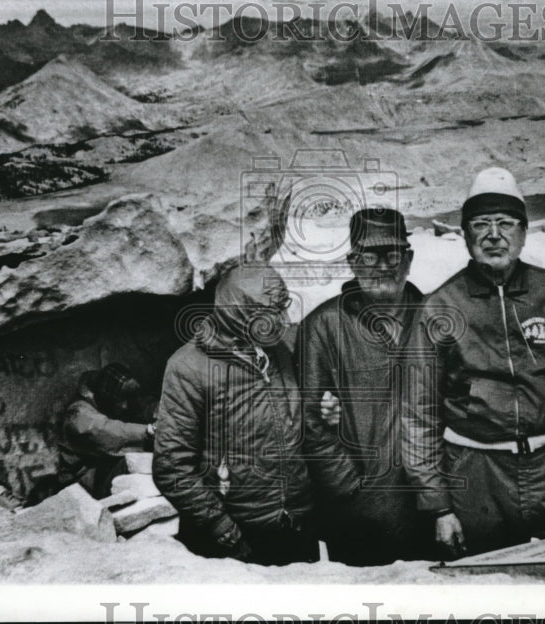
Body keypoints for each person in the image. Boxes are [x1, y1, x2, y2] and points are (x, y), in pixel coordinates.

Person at [402, 167, 545, 557]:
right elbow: (417, 417)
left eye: (506, 223)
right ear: (465, 235)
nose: (494, 235)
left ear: (523, 232)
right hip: (475, 474)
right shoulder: (439, 307)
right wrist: (438, 506)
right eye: (481, 224)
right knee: (485, 588)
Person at [153, 264, 328, 565]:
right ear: (240, 314)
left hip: (295, 526)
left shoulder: (278, 351)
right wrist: (222, 529)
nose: (285, 322)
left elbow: (293, 426)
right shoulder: (188, 367)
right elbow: (172, 467)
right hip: (237, 535)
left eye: (283, 308)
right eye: (273, 313)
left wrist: (324, 410)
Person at [297, 208, 430, 565]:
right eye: (370, 256)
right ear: (352, 261)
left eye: (393, 255)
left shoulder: (434, 317)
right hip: (358, 512)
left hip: (432, 501)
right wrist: (349, 489)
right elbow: (310, 422)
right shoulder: (322, 327)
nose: (382, 266)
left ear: (409, 259)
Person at [56, 363, 157, 499]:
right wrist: (148, 431)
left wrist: (158, 411)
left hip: (100, 474)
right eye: (120, 401)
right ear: (105, 395)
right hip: (82, 489)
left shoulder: (108, 399)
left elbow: (140, 406)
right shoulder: (78, 416)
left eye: (126, 399)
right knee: (134, 462)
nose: (124, 406)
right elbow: (109, 431)